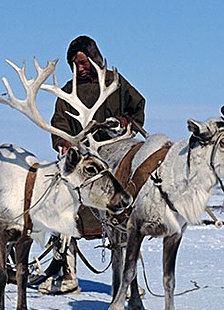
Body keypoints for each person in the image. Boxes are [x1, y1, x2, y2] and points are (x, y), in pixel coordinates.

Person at [38, 35, 146, 295]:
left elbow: (137, 107)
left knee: (124, 223)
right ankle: (68, 274)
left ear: (94, 57)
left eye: (84, 61)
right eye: (74, 63)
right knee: (63, 212)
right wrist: (64, 143)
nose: (80, 67)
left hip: (114, 155)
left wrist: (124, 122)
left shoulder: (114, 83)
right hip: (82, 161)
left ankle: (131, 283)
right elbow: (60, 124)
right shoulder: (67, 90)